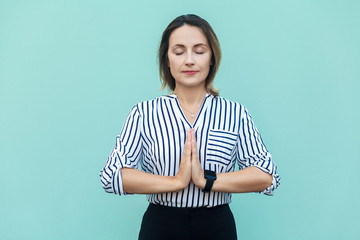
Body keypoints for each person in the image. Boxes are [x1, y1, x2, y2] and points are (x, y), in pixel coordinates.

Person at [100, 14, 280, 240]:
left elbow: (266, 174)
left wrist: (206, 180)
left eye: (199, 51)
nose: (189, 60)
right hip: (160, 225)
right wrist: (176, 181)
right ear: (166, 59)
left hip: (216, 226)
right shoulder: (144, 113)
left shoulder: (235, 113)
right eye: (178, 51)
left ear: (212, 58)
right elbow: (112, 175)